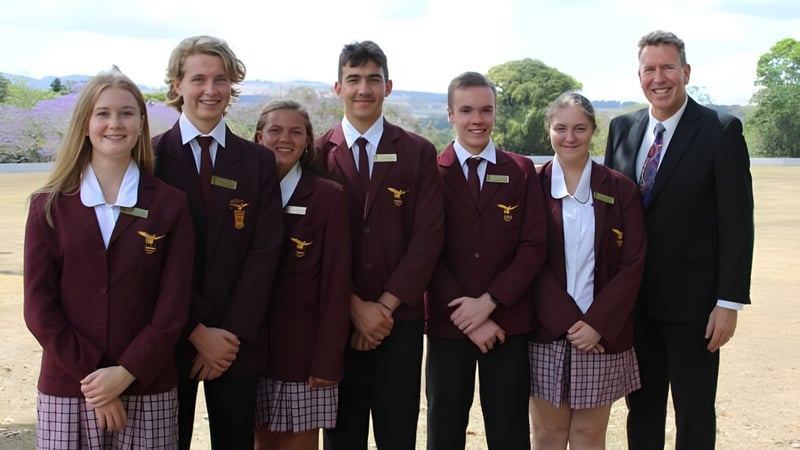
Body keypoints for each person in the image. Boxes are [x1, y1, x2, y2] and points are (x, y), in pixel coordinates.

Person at [23, 68, 194, 448]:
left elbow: (174, 306)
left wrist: (127, 372)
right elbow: (39, 309)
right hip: (70, 388)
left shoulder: (170, 204)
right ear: (84, 123)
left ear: (141, 123)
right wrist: (99, 379)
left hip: (148, 384)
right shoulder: (47, 206)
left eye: (126, 113)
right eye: (102, 113)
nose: (114, 124)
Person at [604, 30, 754, 449]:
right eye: (649, 69)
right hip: (635, 305)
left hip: (697, 309)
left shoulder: (720, 131)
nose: (659, 77)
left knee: (694, 413)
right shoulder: (621, 129)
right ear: (639, 76)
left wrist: (728, 303)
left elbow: (738, 222)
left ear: (686, 72)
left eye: (668, 67)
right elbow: (609, 215)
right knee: (643, 410)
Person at [152, 35, 284, 449]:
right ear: (177, 84)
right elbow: (149, 259)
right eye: (198, 79)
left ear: (232, 86)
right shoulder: (150, 159)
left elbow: (265, 252)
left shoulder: (258, 160)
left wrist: (228, 334)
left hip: (235, 341)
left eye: (221, 79)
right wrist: (194, 329)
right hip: (171, 336)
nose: (210, 90)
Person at [314, 40, 444, 450]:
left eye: (373, 79)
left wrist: (383, 308)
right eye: (353, 80)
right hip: (336, 320)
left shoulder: (418, 152)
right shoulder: (316, 154)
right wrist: (354, 308)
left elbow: (428, 237)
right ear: (338, 88)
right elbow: (310, 245)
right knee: (342, 437)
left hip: (399, 324)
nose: (363, 89)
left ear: (389, 87)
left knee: (398, 435)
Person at [424, 71, 547, 450]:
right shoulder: (430, 171)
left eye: (485, 110)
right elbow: (426, 249)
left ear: (495, 113)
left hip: (507, 324)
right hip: (449, 325)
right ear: (450, 114)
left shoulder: (521, 170)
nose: (477, 119)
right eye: (466, 110)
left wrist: (490, 303)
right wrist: (468, 317)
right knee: (444, 429)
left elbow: (534, 245)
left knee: (509, 430)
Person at [529, 91, 646, 449]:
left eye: (580, 128)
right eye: (561, 127)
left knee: (589, 434)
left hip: (601, 337)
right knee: (548, 434)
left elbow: (633, 262)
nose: (570, 137)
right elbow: (527, 260)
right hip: (546, 333)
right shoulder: (531, 185)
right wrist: (566, 320)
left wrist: (596, 324)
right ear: (547, 129)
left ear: (593, 130)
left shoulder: (620, 188)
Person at [252, 100, 351, 450]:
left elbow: (337, 286)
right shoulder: (241, 195)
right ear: (258, 136)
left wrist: (326, 358)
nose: (285, 139)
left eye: (296, 132)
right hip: (247, 351)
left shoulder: (327, 198)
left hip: (302, 353)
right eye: (275, 130)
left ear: (308, 141)